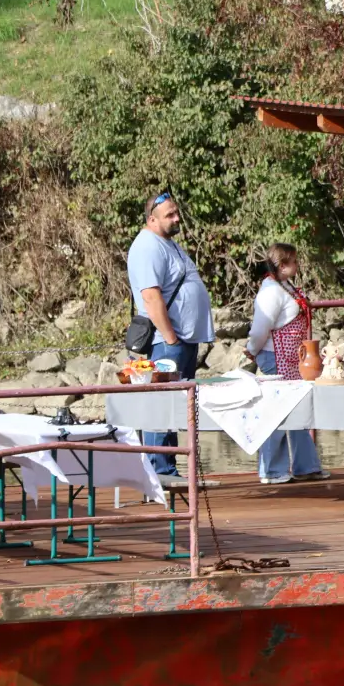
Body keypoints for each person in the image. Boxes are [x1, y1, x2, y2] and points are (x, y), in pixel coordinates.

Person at [126, 191, 216, 486]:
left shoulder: (166, 243)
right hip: (168, 341)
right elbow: (151, 297)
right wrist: (172, 338)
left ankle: (168, 469)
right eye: (170, 215)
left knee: (175, 407)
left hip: (182, 339)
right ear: (151, 219)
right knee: (161, 405)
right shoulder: (147, 247)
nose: (177, 219)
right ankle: (159, 472)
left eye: (177, 213)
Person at [244, 243, 329, 485]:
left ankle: (306, 466)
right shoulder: (271, 291)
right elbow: (261, 327)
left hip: (293, 358)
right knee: (276, 414)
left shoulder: (285, 287)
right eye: (293, 261)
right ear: (282, 265)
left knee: (298, 411)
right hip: (275, 357)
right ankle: (271, 470)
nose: (298, 264)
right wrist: (251, 350)